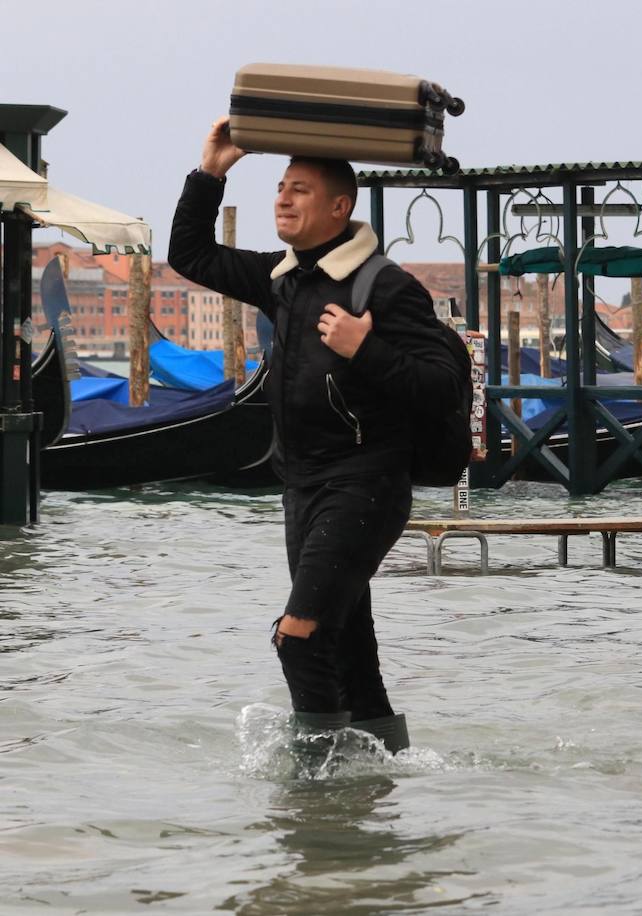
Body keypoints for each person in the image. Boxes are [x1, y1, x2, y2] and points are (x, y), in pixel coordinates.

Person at [168, 117, 464, 755]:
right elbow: (189, 255)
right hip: (300, 489)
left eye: (299, 190)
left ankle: (317, 786)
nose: (282, 198)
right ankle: (383, 786)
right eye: (280, 186)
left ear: (339, 206)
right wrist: (212, 171)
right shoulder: (282, 279)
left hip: (366, 486)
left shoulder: (386, 286)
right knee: (348, 653)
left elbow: (442, 386)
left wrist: (367, 350)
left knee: (298, 636)